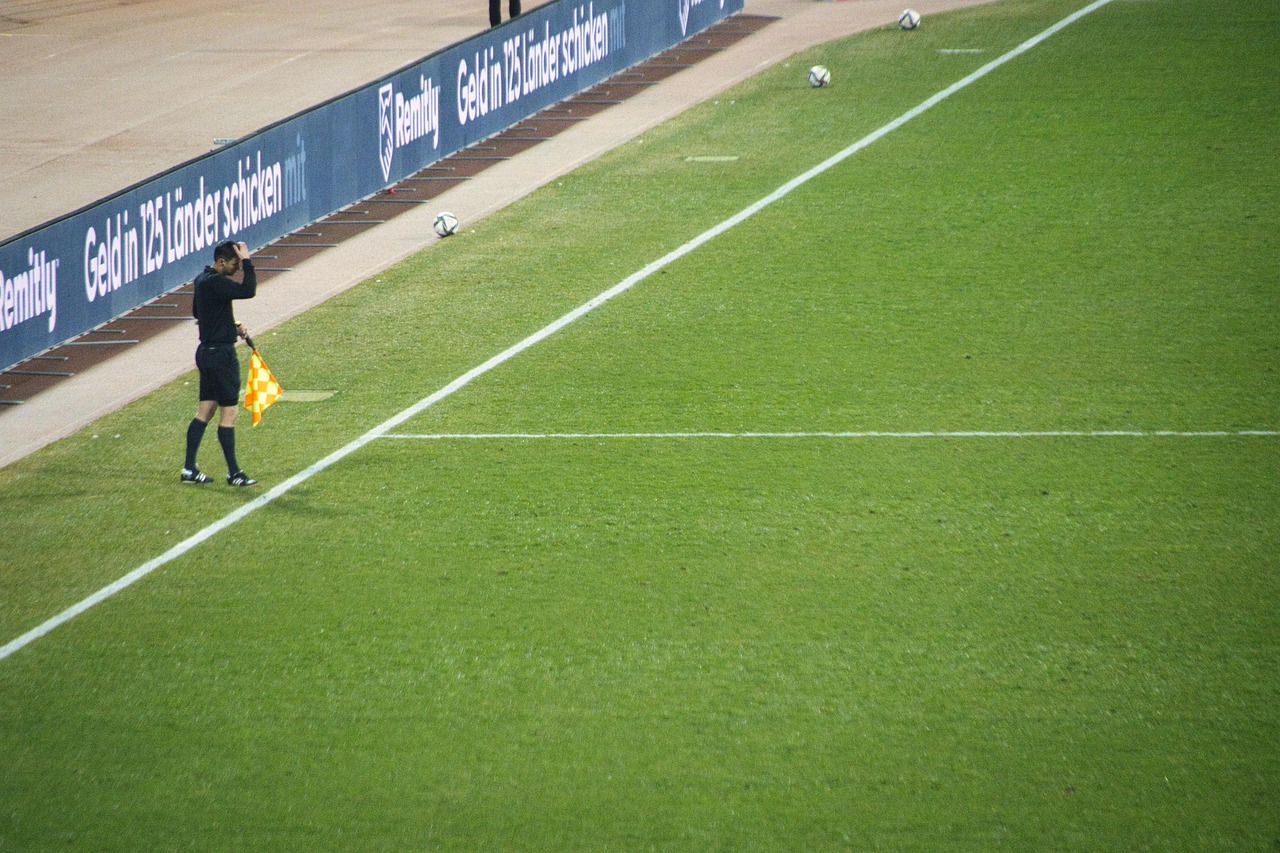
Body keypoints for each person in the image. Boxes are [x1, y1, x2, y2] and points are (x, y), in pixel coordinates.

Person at [180, 240, 258, 486]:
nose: (237, 270)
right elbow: (248, 290)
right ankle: (234, 473)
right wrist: (248, 261)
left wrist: (231, 326)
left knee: (205, 411)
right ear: (221, 261)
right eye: (234, 265)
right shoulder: (217, 282)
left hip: (205, 353)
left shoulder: (202, 279)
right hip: (222, 357)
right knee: (229, 413)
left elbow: (198, 313)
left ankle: (189, 469)